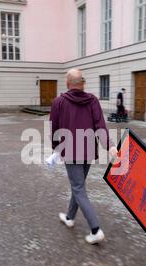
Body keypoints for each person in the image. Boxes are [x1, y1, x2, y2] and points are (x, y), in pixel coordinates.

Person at [50, 69, 118, 245]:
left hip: (70, 151)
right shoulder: (92, 100)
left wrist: (56, 149)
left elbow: (54, 129)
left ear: (67, 84)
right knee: (78, 185)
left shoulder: (59, 102)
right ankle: (70, 217)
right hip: (88, 151)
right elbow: (100, 126)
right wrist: (109, 145)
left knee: (78, 188)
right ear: (82, 84)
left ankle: (96, 230)